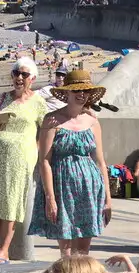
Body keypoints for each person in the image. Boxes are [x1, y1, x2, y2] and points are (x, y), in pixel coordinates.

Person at [31, 69, 112, 256]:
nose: (81, 94)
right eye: (76, 91)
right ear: (67, 92)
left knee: (83, 251)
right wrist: (50, 197)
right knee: (66, 251)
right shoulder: (51, 120)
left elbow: (100, 161)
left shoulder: (92, 121)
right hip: (62, 188)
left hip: (90, 188)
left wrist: (108, 198)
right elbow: (44, 161)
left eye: (85, 91)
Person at [0, 58, 50, 264]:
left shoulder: (38, 102)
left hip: (20, 157)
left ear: (32, 78)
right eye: (16, 73)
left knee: (12, 201)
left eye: (24, 74)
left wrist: (35, 151)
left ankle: (4, 249)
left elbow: (45, 131)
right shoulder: (2, 99)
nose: (19, 78)